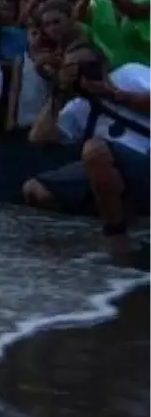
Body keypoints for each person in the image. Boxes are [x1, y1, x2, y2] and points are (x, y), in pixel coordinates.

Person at [24, 50, 151, 260]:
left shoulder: (130, 75)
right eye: (74, 68)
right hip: (106, 169)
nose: (83, 72)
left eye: (87, 65)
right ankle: (115, 218)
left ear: (103, 64)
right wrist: (59, 90)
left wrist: (112, 94)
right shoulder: (79, 107)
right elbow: (38, 137)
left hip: (143, 160)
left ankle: (116, 236)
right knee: (36, 190)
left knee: (94, 149)